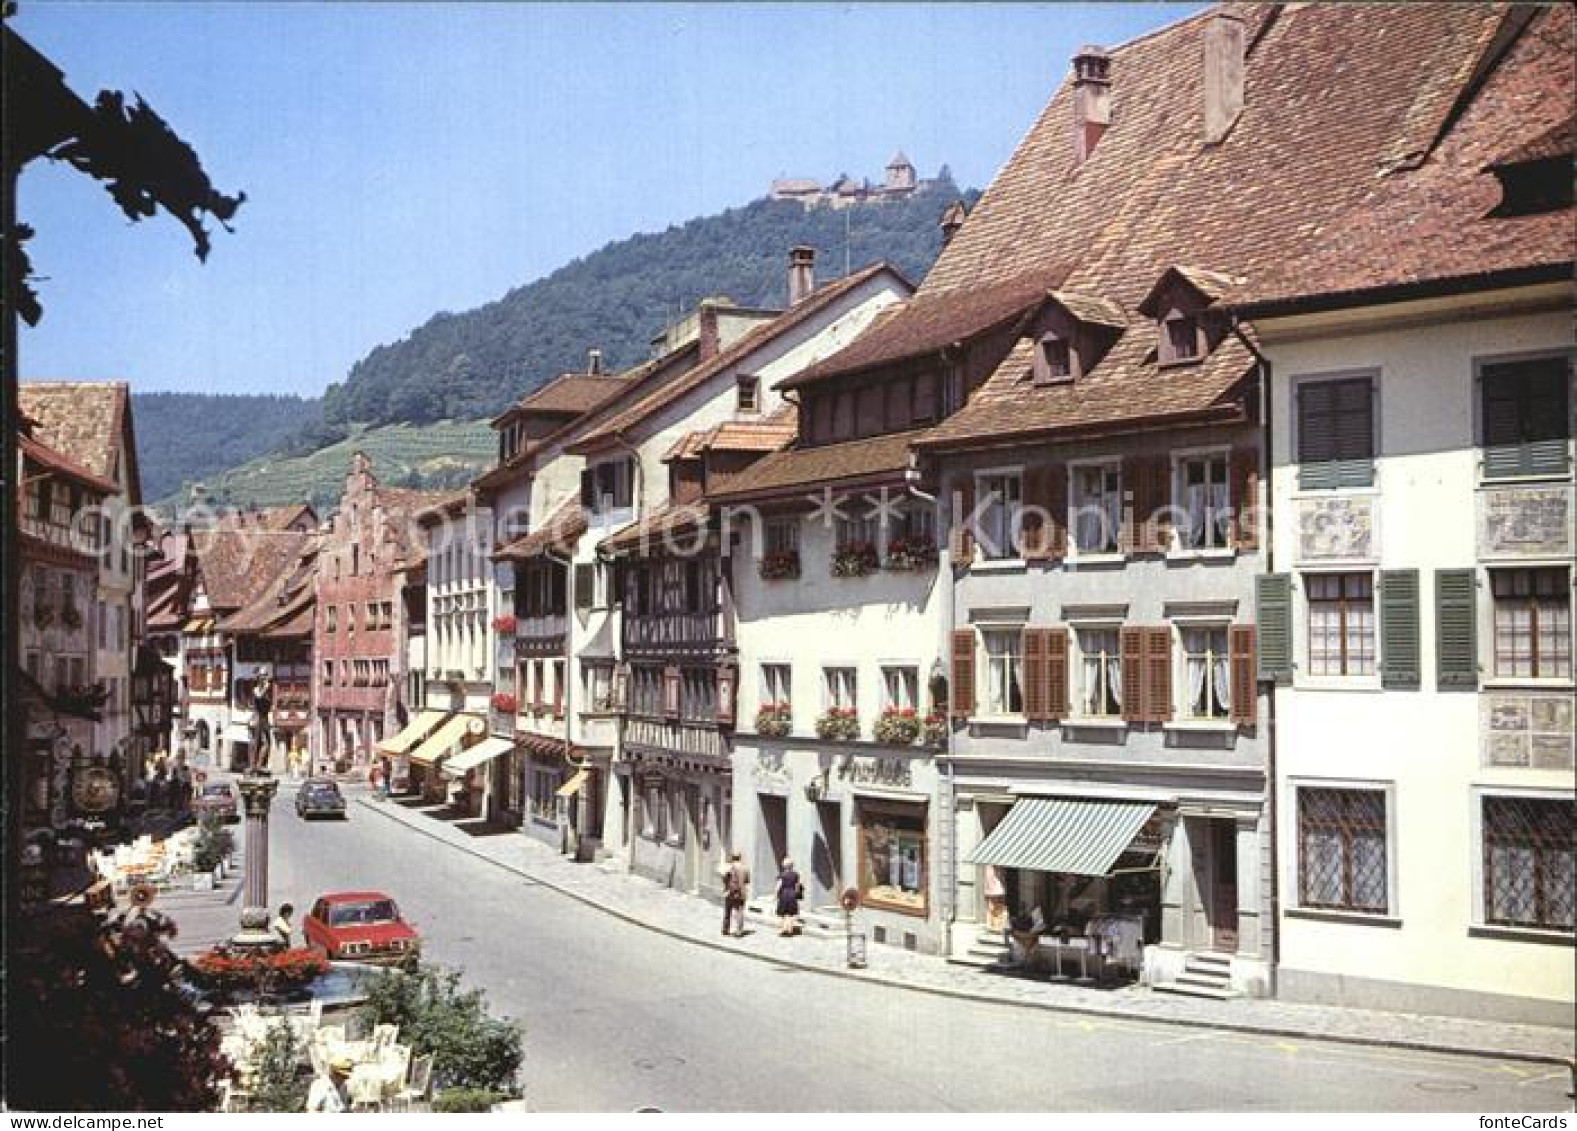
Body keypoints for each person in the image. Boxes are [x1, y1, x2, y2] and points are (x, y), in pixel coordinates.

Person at [721, 852, 750, 937]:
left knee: (727, 912)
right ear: (740, 857)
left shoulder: (728, 867)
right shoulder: (745, 868)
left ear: (732, 857)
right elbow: (747, 881)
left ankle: (725, 930)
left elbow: (724, 879)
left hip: (729, 892)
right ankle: (739, 931)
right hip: (740, 893)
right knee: (740, 912)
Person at [775, 856, 802, 937]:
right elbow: (798, 885)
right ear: (792, 865)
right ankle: (790, 930)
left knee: (784, 913)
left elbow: (778, 885)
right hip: (792, 894)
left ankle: (784, 930)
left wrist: (775, 894)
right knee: (790, 913)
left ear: (784, 865)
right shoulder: (796, 875)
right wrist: (797, 894)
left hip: (784, 894)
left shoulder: (782, 875)